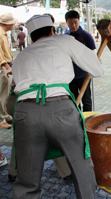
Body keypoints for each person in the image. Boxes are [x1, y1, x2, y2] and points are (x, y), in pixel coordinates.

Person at [12, 14, 103, 198]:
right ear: (52, 31)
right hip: (60, 110)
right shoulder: (64, 41)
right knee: (81, 167)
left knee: (27, 180)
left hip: (25, 113)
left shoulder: (21, 56)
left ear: (31, 37)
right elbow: (97, 69)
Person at [65, 10, 96, 112]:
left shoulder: (86, 36)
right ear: (67, 23)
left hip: (84, 74)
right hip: (70, 75)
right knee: (73, 100)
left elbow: (93, 55)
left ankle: (88, 122)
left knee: (86, 100)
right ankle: (77, 121)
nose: (73, 25)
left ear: (79, 20)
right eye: (70, 23)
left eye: (75, 22)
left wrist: (90, 71)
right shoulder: (66, 37)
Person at [0, 13, 16, 130]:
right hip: (3, 67)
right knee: (2, 94)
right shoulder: (0, 34)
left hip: (6, 65)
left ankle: (5, 115)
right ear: (7, 23)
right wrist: (5, 65)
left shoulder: (3, 33)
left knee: (5, 93)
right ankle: (2, 118)